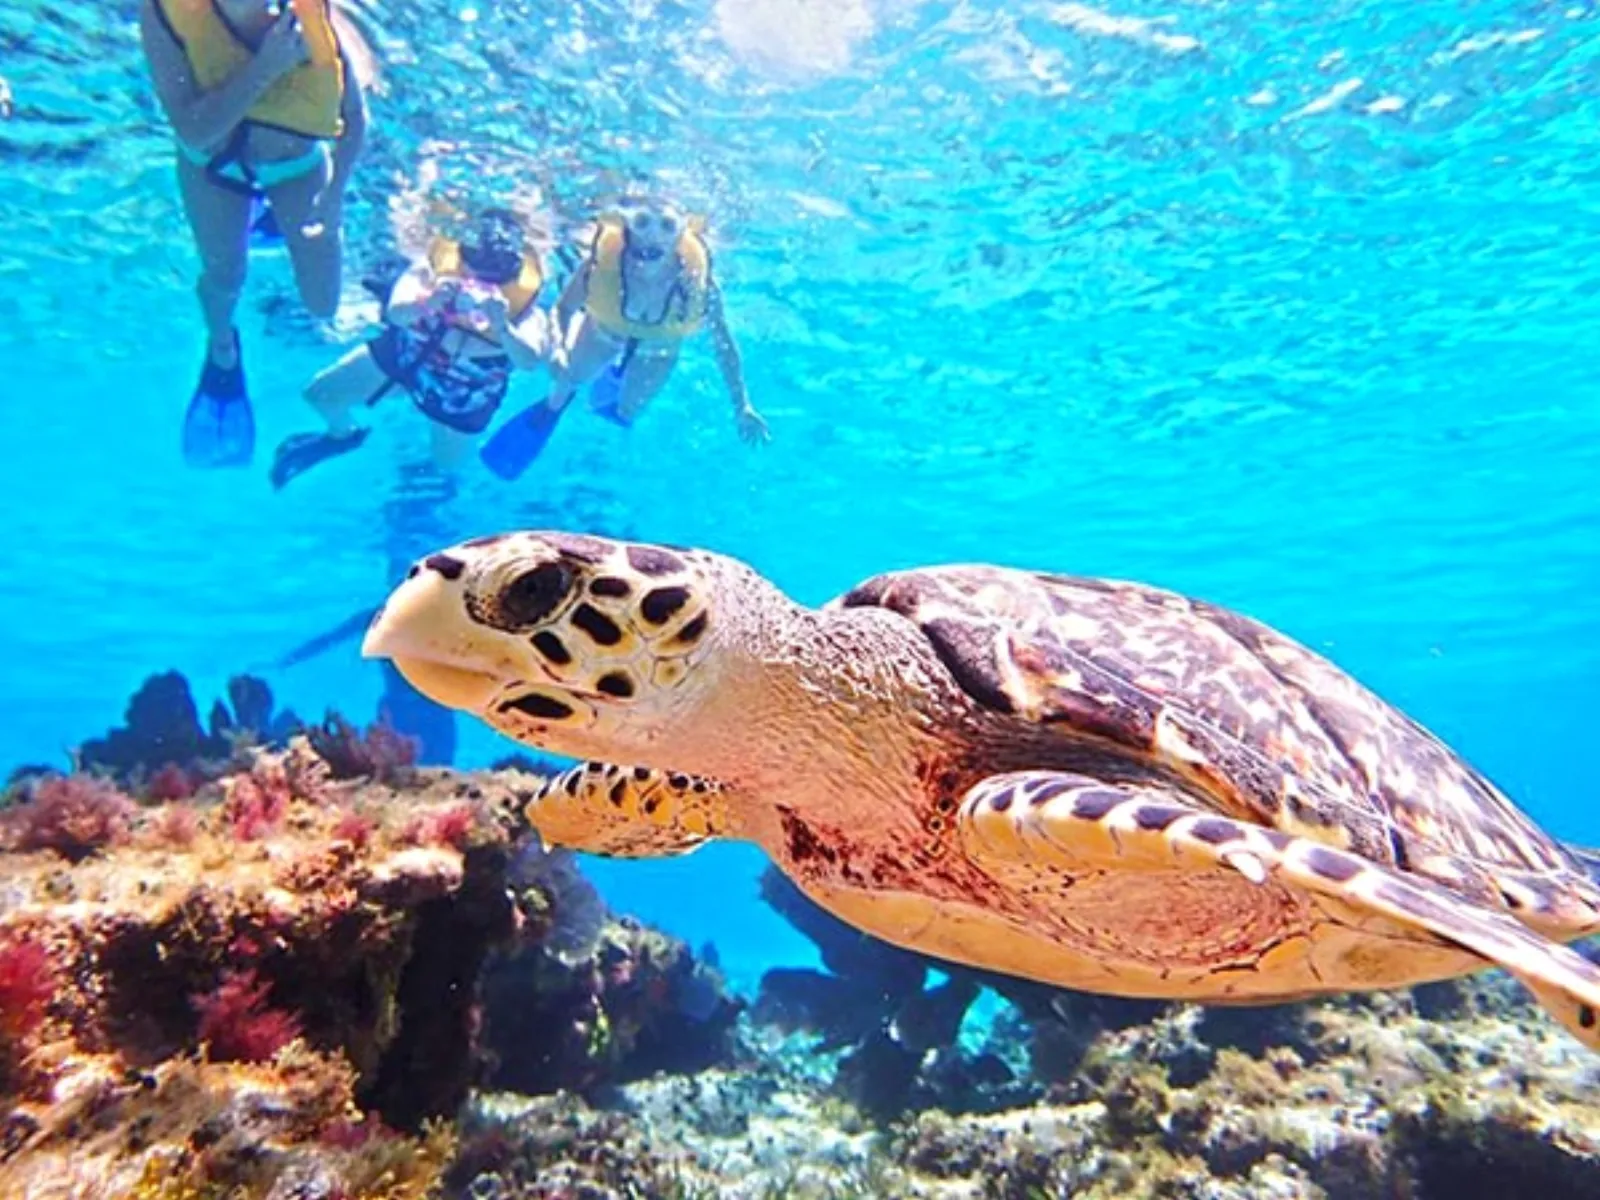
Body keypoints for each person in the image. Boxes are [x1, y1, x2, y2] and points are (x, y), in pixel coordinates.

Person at [139, 0, 369, 469]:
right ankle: (222, 350)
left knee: (323, 304)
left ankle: (269, 216)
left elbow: (355, 121)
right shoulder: (163, 12)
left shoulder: (315, 14)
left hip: (294, 165)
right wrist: (268, 66)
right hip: (212, 164)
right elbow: (196, 130)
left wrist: (333, 201)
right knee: (225, 277)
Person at [479, 197, 770, 480]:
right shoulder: (602, 263)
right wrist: (559, 347)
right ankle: (553, 409)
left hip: (658, 350)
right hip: (603, 332)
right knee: (564, 383)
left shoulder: (697, 283)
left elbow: (724, 345)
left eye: (667, 227)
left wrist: (742, 404)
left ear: (679, 236)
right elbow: (564, 308)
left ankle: (612, 380)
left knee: (625, 412)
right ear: (629, 229)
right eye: (643, 223)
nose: (652, 237)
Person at [269, 207, 555, 488]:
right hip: (406, 357)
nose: (479, 287)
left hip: (466, 393)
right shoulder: (433, 270)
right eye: (473, 276)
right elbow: (396, 313)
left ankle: (424, 495)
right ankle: (341, 435)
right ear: (460, 260)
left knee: (446, 469)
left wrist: (502, 326)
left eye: (493, 282)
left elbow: (530, 361)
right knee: (320, 395)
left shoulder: (523, 305)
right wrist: (428, 302)